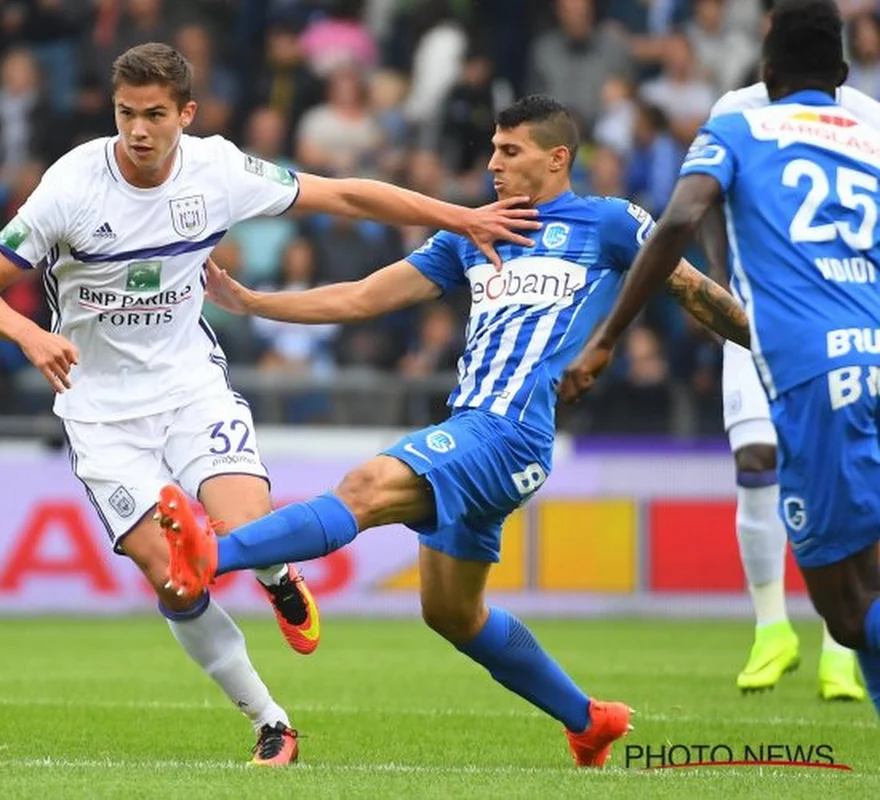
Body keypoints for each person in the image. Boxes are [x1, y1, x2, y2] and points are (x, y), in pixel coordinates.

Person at [0, 42, 539, 766]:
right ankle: (272, 721)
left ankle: (275, 574)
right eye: (126, 113)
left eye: (156, 115)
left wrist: (460, 218)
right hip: (100, 409)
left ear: (186, 115)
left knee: (245, 526)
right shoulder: (71, 186)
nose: (138, 130)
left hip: (190, 385)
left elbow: (347, 193)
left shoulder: (219, 170)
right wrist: (27, 335)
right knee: (175, 578)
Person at [157, 95, 750, 767]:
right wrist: (258, 303)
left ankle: (211, 557)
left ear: (557, 159)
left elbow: (694, 290)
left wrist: (768, 349)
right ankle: (588, 721)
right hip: (473, 429)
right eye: (493, 149)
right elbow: (363, 297)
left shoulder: (606, 222)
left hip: (511, 432)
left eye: (510, 151)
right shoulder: (473, 233)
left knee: (366, 487)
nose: (493, 163)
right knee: (450, 613)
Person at [561, 0, 880, 715]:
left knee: (850, 611)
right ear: (841, 67)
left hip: (806, 360)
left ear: (766, 64)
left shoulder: (739, 119)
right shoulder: (870, 129)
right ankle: (781, 635)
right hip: (865, 344)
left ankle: (809, 638)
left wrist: (609, 335)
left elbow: (680, 216)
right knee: (861, 575)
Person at [697, 27, 880, 702]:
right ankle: (771, 628)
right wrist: (723, 285)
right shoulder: (735, 109)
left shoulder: (866, 118)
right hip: (757, 317)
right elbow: (706, 200)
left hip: (842, 326)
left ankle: (840, 646)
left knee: (848, 485)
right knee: (754, 460)